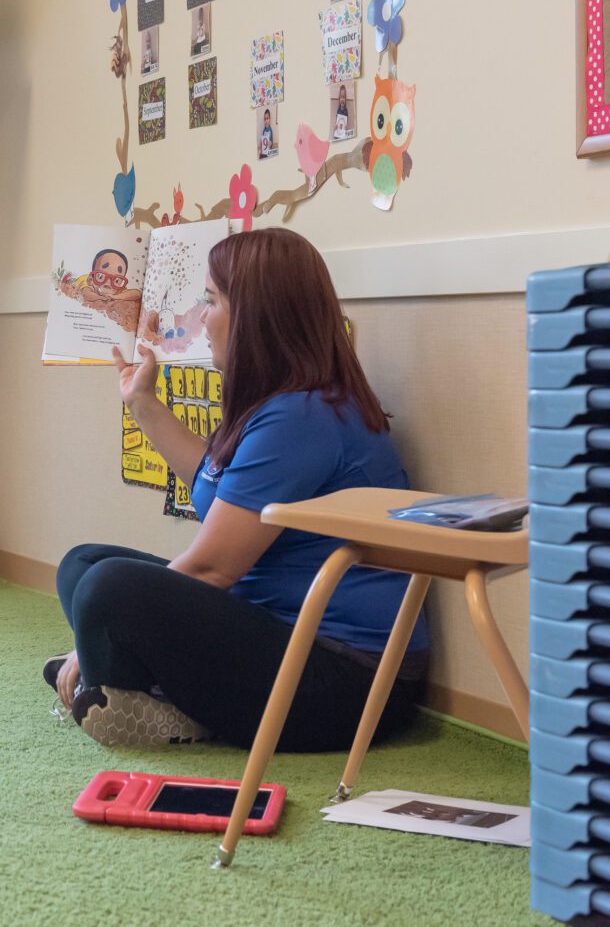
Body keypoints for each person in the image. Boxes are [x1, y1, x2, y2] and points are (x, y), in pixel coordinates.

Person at [43, 228, 426, 751]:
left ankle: (139, 693)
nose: (202, 317)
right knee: (84, 565)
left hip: (348, 680)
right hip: (280, 632)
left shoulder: (302, 417)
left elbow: (212, 568)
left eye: (212, 300)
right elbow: (215, 482)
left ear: (256, 316)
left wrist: (82, 648)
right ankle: (139, 693)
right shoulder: (285, 402)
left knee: (107, 588)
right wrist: (143, 403)